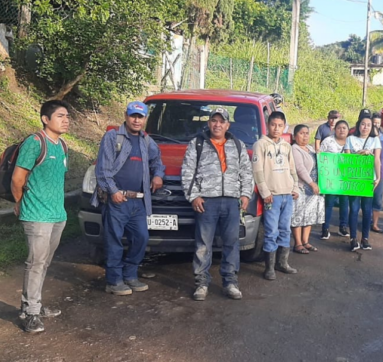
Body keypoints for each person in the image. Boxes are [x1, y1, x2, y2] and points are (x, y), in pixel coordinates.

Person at [91, 101, 165, 296]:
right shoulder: (113, 137)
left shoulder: (146, 141)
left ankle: (130, 275)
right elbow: (103, 170)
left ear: (145, 119)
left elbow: (158, 160)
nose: (136, 120)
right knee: (114, 240)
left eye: (140, 117)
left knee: (141, 237)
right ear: (126, 115)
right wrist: (113, 191)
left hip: (139, 201)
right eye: (133, 116)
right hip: (117, 199)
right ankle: (114, 281)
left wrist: (158, 175)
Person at [181, 107, 254, 301]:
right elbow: (187, 172)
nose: (217, 124)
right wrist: (194, 196)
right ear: (209, 123)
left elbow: (246, 173)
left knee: (231, 244)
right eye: (214, 120)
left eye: (222, 121)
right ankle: (201, 284)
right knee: (203, 245)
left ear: (228, 125)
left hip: (231, 202)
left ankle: (230, 282)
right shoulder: (196, 144)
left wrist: (246, 194)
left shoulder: (237, 145)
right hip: (207, 202)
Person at [12, 100, 70, 333]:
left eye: (67, 116)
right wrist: (19, 203)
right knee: (35, 263)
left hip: (58, 215)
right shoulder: (35, 143)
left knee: (44, 262)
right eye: (60, 116)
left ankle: (35, 304)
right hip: (37, 215)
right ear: (46, 119)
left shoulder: (62, 145)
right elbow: (18, 179)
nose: (66, 120)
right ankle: (30, 312)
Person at [252, 111, 299, 280]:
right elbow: (257, 171)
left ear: (284, 126)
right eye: (273, 125)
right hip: (272, 196)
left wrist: (296, 187)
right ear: (268, 125)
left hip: (287, 195)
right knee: (271, 231)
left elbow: (292, 168)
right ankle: (269, 268)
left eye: (280, 126)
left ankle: (282, 263)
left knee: (285, 230)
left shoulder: (286, 146)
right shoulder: (261, 144)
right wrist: (265, 192)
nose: (276, 128)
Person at [344, 114, 382, 251]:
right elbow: (347, 160)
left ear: (372, 127)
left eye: (368, 125)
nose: (365, 127)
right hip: (354, 180)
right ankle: (353, 239)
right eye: (363, 124)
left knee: (367, 210)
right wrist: (357, 154)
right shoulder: (350, 139)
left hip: (368, 180)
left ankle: (365, 238)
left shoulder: (375, 140)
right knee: (353, 209)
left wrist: (378, 177)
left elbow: (377, 160)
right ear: (358, 125)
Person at [290, 124, 325, 253]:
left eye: (307, 133)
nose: (305, 136)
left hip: (313, 188)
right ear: (295, 136)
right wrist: (312, 183)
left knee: (309, 215)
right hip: (302, 186)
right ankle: (298, 243)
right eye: (301, 133)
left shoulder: (310, 148)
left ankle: (306, 241)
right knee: (298, 215)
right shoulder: (294, 149)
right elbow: (300, 169)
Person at [319, 120, 351, 239]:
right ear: (334, 129)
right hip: (330, 179)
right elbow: (320, 158)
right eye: (339, 128)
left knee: (344, 203)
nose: (341, 130)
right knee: (329, 203)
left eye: (344, 128)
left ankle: (343, 227)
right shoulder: (327, 141)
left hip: (345, 179)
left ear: (348, 130)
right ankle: (325, 228)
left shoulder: (351, 142)